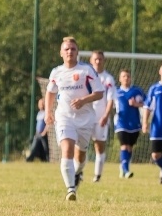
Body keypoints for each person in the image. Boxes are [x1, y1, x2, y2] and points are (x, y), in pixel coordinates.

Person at [45, 36, 103, 201]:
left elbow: (99, 93)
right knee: (67, 150)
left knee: (81, 156)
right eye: (66, 49)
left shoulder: (86, 70)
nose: (70, 51)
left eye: (73, 49)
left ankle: (78, 173)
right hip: (64, 117)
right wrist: (48, 112)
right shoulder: (56, 72)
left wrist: (83, 100)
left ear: (77, 52)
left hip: (85, 118)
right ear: (61, 53)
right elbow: (50, 92)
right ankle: (71, 189)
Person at [89, 51, 116, 183]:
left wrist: (106, 115)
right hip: (85, 117)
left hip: (101, 118)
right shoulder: (85, 77)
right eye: (95, 59)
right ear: (91, 60)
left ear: (104, 60)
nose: (98, 61)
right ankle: (78, 172)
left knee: (99, 146)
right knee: (79, 144)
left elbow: (111, 99)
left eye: (100, 59)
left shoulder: (108, 79)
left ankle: (97, 175)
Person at [114, 68, 145, 179]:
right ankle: (126, 171)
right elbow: (109, 105)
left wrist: (136, 104)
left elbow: (147, 104)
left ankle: (123, 166)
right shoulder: (116, 92)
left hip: (135, 123)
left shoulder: (137, 91)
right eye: (124, 76)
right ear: (120, 79)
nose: (126, 78)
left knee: (130, 148)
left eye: (128, 76)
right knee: (124, 146)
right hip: (121, 123)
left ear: (131, 78)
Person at [26, 98, 50, 162]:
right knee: (33, 147)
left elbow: (48, 124)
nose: (41, 105)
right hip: (38, 134)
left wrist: (44, 132)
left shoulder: (46, 113)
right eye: (40, 104)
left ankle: (47, 160)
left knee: (45, 148)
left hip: (43, 134)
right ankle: (29, 159)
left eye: (42, 104)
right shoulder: (39, 113)